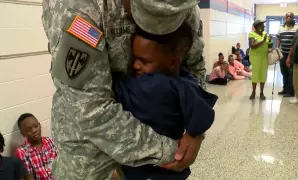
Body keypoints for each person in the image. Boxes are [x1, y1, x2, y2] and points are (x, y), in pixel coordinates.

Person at [42, 0, 206, 179]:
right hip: (92, 158)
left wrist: (195, 131)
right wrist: (171, 152)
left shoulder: (184, 6)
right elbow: (89, 109)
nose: (159, 25)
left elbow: (194, 67)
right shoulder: (78, 6)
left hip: (162, 149)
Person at [113, 22, 217, 180]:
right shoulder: (184, 82)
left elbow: (114, 91)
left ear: (173, 62)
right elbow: (204, 111)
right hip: (172, 167)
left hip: (142, 167)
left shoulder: (147, 85)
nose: (135, 65)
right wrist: (194, 133)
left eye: (144, 61)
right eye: (135, 58)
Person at [14, 113, 58, 180]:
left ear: (40, 125)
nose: (34, 131)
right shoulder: (22, 152)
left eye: (36, 126)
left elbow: (61, 163)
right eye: (28, 130)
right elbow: (29, 177)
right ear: (22, 134)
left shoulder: (50, 141)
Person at [276, 12, 298, 97]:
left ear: (294, 18)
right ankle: (285, 89)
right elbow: (278, 38)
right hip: (283, 53)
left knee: (291, 73)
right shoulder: (281, 28)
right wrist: (277, 49)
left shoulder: (297, 27)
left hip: (293, 54)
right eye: (287, 16)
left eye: (291, 16)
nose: (289, 17)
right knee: (284, 72)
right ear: (285, 18)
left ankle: (291, 91)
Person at [248, 20, 273, 100]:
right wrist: (263, 41)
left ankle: (262, 92)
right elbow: (252, 46)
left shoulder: (265, 34)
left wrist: (270, 41)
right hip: (255, 57)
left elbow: (269, 44)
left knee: (263, 74)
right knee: (255, 74)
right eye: (262, 25)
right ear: (257, 26)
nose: (264, 26)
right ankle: (253, 92)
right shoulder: (252, 34)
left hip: (264, 56)